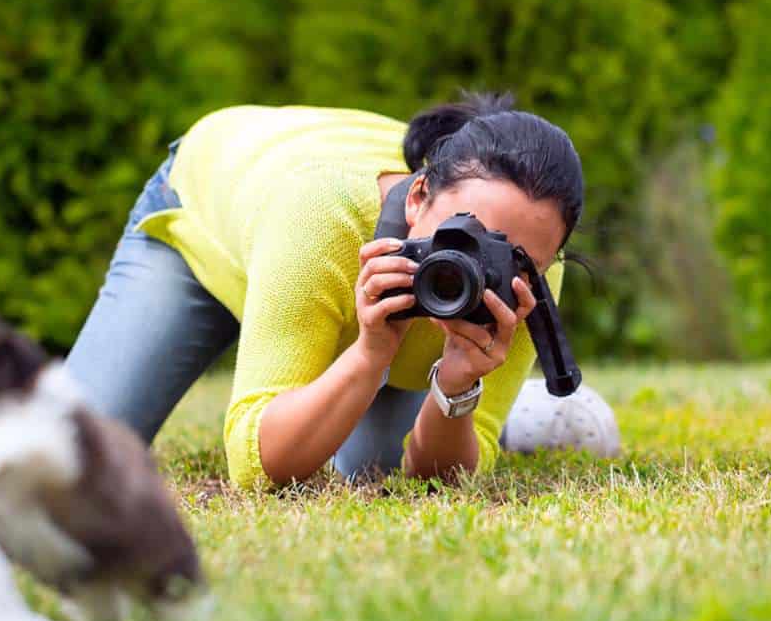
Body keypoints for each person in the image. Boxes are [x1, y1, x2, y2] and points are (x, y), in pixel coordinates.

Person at [66, 91, 616, 489]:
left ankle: (507, 408)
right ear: (419, 195)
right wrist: (371, 352)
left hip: (312, 259)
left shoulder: (531, 279)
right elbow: (256, 467)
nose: (484, 266)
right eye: (462, 235)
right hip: (215, 219)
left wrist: (455, 388)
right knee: (68, 452)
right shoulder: (321, 216)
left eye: (516, 259)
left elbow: (440, 481)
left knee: (369, 468)